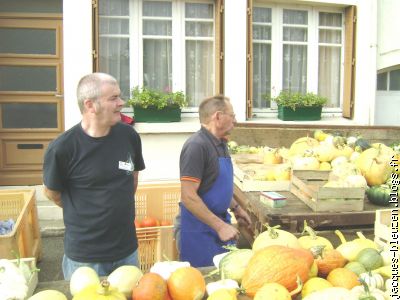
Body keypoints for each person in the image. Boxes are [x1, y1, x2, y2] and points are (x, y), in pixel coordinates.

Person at [42, 72, 145, 279]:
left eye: (119, 96)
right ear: (90, 105)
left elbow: (131, 179)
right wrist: (85, 211)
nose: (121, 103)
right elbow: (52, 193)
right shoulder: (62, 149)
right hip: (86, 258)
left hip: (127, 250)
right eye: (113, 98)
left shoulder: (129, 136)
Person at [177, 95, 251, 267]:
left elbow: (217, 185)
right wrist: (220, 227)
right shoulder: (196, 147)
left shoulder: (220, 144)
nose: (235, 121)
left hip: (219, 223)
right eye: (232, 116)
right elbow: (188, 197)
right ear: (218, 117)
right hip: (200, 230)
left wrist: (236, 208)